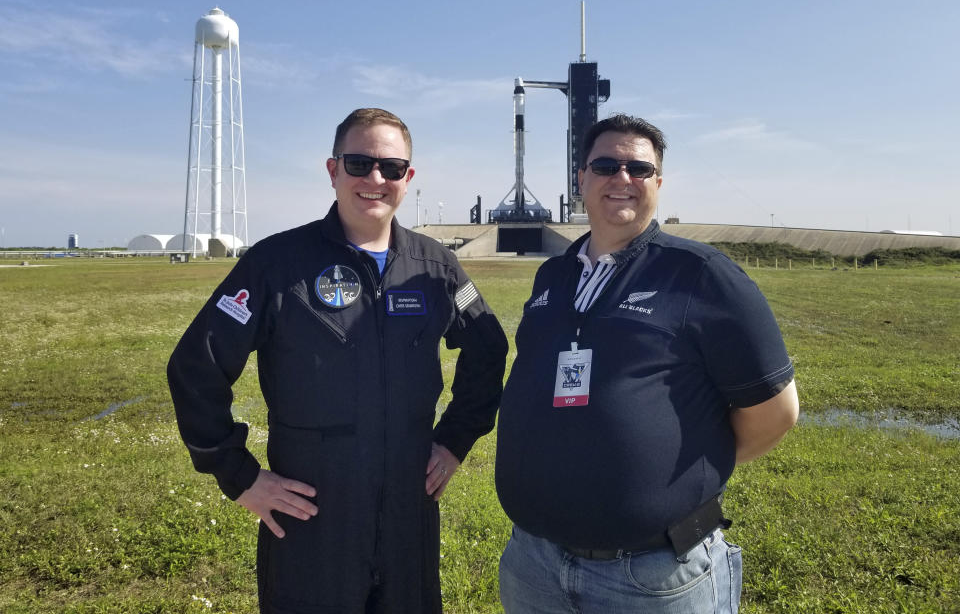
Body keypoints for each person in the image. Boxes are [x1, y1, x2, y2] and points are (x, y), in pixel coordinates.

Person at [167, 108, 508, 613]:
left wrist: (455, 441)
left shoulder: (437, 268)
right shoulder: (276, 263)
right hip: (312, 520)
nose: (375, 179)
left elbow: (488, 349)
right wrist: (238, 475)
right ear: (333, 170)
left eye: (391, 168)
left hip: (407, 518)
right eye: (359, 163)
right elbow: (196, 366)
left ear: (407, 179)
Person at [494, 113, 799, 614]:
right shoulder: (553, 276)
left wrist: (678, 476)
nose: (622, 179)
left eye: (639, 168)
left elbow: (776, 412)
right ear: (582, 179)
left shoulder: (701, 275)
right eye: (607, 165)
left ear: (658, 182)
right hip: (535, 563)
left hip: (654, 577)